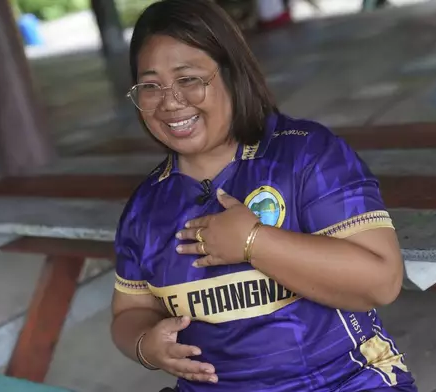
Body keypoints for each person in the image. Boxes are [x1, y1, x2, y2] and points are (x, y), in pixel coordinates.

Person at [110, 1, 417, 391]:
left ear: (232, 73)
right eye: (150, 86)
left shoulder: (304, 155)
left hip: (343, 382)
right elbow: (130, 311)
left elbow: (382, 281)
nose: (170, 101)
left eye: (188, 79)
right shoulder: (145, 208)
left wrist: (255, 242)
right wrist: (145, 346)